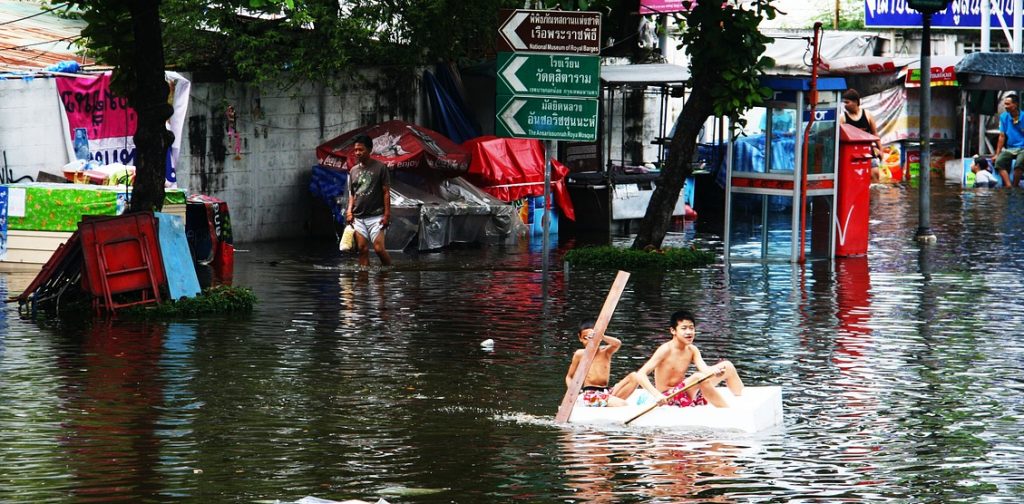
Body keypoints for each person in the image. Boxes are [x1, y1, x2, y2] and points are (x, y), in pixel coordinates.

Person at [634, 310, 744, 408]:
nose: (689, 332)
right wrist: (657, 395)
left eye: (691, 328)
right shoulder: (665, 349)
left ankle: (741, 398)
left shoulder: (692, 349)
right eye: (684, 328)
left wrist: (716, 372)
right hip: (669, 396)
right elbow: (640, 374)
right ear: (673, 331)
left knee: (727, 366)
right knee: (698, 377)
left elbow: (705, 370)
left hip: (685, 391)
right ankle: (725, 410)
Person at [565, 319, 639, 407]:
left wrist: (601, 336)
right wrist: (573, 392)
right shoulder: (580, 354)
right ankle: (614, 404)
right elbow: (569, 377)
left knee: (635, 376)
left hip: (606, 391)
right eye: (585, 338)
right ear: (580, 338)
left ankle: (611, 403)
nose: (589, 341)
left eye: (592, 337)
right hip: (590, 394)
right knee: (622, 403)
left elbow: (617, 343)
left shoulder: (605, 351)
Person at [346, 134, 392, 267]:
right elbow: (352, 194)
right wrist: (349, 212)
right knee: (362, 249)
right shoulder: (353, 171)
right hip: (359, 217)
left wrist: (387, 215)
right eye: (355, 150)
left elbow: (386, 192)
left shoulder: (380, 168)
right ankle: (362, 283)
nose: (357, 153)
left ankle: (388, 273)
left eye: (361, 150)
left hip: (376, 216)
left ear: (370, 150)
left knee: (379, 249)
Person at [839, 88, 883, 182]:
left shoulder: (867, 115)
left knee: (875, 174)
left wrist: (881, 150)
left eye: (847, 102)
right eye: (844, 103)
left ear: (855, 102)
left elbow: (875, 133)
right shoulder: (843, 118)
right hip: (851, 153)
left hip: (868, 150)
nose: (845, 105)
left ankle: (872, 196)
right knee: (855, 179)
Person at [993, 93, 1024, 188]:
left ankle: (1015, 186)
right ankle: (1009, 186)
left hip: (1023, 148)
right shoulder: (1003, 117)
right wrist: (997, 154)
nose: (1005, 106)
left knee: (1019, 164)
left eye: (1008, 104)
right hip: (1010, 148)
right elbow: (1002, 136)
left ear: (1015, 105)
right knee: (999, 162)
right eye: (1005, 104)